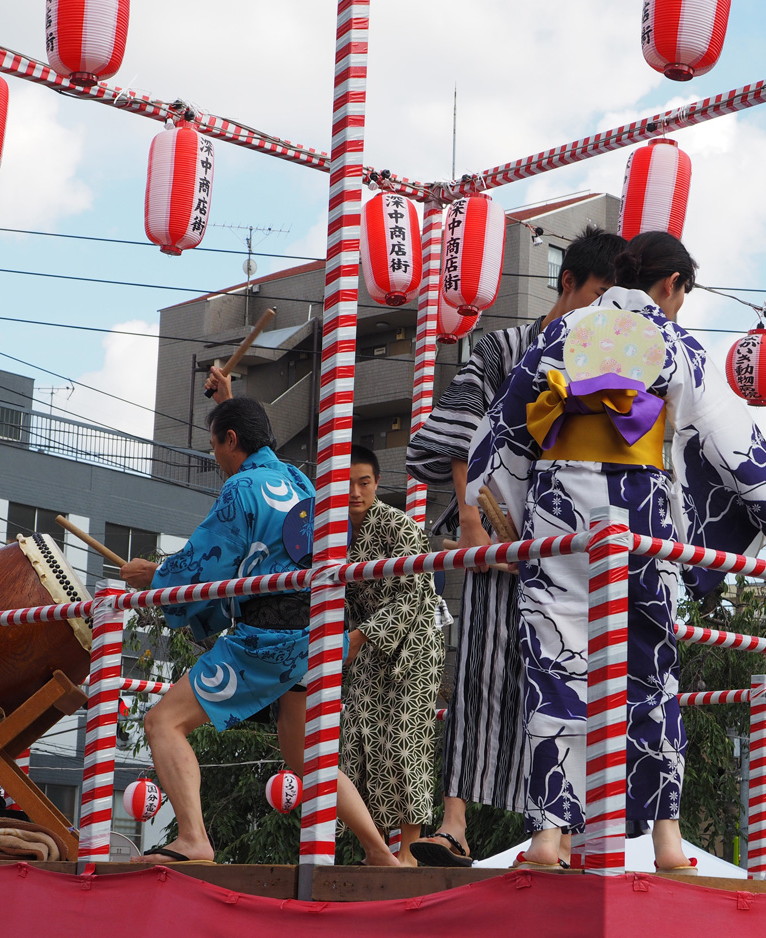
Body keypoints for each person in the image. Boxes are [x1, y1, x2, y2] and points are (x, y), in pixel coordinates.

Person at [467, 231, 766, 872]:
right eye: (682, 296)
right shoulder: (674, 343)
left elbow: (505, 430)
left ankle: (548, 839)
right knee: (651, 673)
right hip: (638, 519)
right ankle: (666, 841)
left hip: (562, 515)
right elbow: (733, 441)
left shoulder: (560, 332)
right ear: (670, 285)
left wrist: (496, 509)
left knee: (557, 671)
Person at [404, 225, 627, 867]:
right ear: (567, 283)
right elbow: (463, 429)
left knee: (564, 681)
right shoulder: (505, 346)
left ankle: (557, 829)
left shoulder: (611, 361)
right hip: (501, 538)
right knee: (479, 670)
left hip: (573, 550)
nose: (603, 310)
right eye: (597, 293)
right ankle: (454, 823)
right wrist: (471, 523)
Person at [121, 398, 398, 866]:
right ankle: (379, 852)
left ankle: (192, 839)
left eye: (215, 446)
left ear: (232, 440)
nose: (215, 459)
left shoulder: (242, 488)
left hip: (269, 636)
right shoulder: (298, 481)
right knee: (305, 754)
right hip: (316, 632)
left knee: (163, 722)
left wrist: (156, 576)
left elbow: (204, 562)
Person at [341, 446, 444, 866]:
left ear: (376, 483)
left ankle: (408, 852)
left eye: (363, 483)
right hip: (364, 641)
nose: (354, 492)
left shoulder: (398, 524)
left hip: (415, 640)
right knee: (363, 736)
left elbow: (415, 593)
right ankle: (376, 846)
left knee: (406, 739)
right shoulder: (331, 532)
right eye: (346, 483)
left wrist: (359, 636)